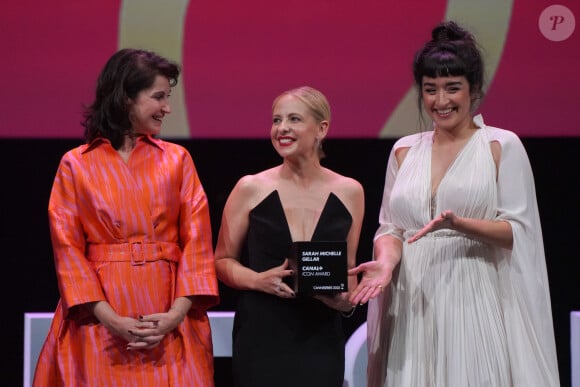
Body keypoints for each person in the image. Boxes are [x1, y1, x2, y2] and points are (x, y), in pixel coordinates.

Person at [349, 21, 560, 386]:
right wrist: (385, 263)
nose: (440, 101)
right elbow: (390, 227)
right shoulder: (403, 151)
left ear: (474, 90)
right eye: (430, 90)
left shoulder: (500, 146)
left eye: (452, 88)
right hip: (412, 299)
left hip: (473, 295)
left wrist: (459, 224)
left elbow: (518, 230)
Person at [33, 48, 219, 386]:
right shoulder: (76, 164)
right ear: (125, 98)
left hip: (169, 315)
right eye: (158, 97)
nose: (167, 107)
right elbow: (68, 250)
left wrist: (175, 315)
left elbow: (197, 242)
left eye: (169, 96)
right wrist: (111, 319)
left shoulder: (177, 160)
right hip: (99, 318)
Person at [214, 86, 364, 387]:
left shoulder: (350, 191)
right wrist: (258, 280)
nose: (281, 128)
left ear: (321, 128)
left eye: (294, 119)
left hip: (321, 339)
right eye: (276, 120)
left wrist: (342, 302)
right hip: (262, 336)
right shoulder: (250, 187)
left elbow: (348, 275)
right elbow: (222, 261)